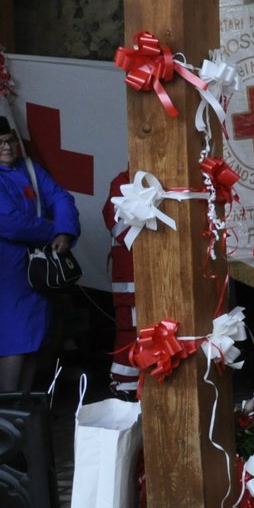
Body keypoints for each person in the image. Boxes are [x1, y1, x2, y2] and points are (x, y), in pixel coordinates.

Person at [0, 117, 79, 396]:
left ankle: (24, 409)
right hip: (7, 272)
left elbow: (61, 199)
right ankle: (9, 412)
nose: (7, 147)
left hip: (35, 270)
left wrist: (65, 232)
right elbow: (9, 222)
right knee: (14, 340)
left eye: (9, 140)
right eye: (0, 143)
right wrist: (54, 231)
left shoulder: (30, 169)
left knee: (35, 336)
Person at [102, 168, 140, 397]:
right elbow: (121, 228)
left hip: (170, 281)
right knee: (131, 334)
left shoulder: (179, 176)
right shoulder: (124, 182)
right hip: (132, 283)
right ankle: (126, 390)